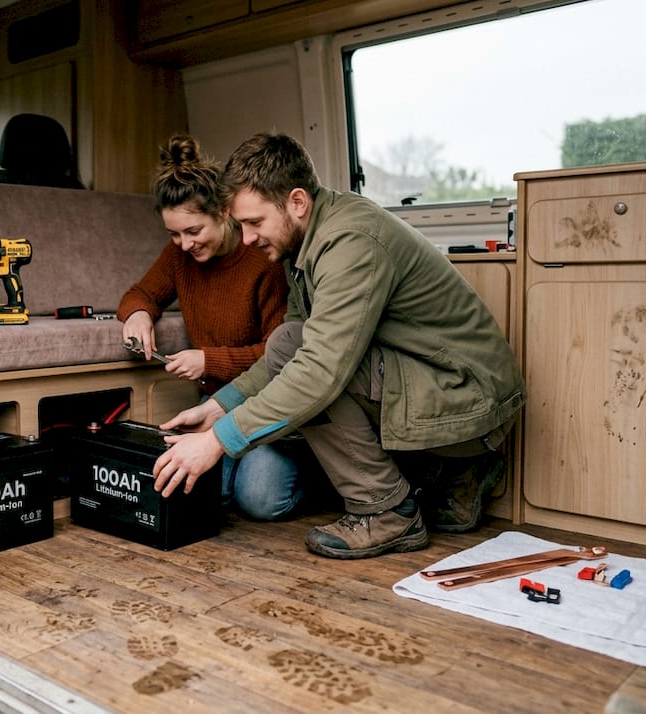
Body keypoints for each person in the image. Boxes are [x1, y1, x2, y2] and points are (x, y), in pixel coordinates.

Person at [150, 132, 525, 559]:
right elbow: (287, 346)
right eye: (241, 226)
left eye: (255, 223)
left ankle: (386, 513)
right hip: (451, 389)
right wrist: (219, 406)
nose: (248, 238)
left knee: (315, 373)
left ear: (296, 202)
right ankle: (456, 472)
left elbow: (318, 371)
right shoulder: (304, 244)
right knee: (291, 340)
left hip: (469, 396)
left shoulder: (350, 241)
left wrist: (218, 440)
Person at [119, 135, 313, 521]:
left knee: (260, 501)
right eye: (174, 234)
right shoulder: (179, 255)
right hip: (212, 406)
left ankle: (318, 470)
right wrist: (138, 314)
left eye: (194, 231)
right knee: (210, 493)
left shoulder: (264, 260)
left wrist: (209, 361)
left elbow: (279, 356)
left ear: (224, 213)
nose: (184, 243)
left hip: (263, 403)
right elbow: (141, 293)